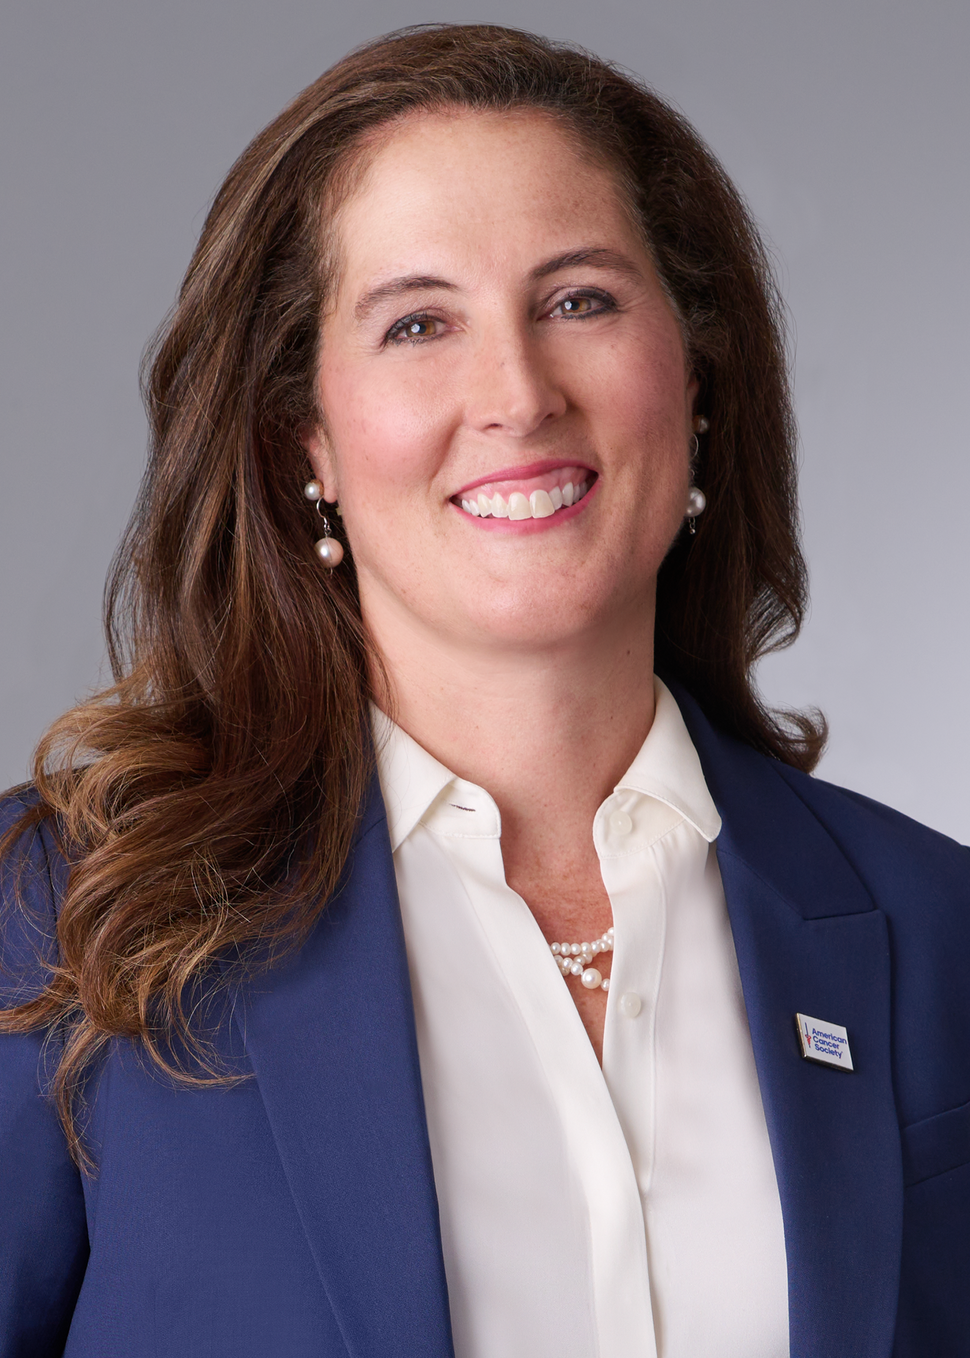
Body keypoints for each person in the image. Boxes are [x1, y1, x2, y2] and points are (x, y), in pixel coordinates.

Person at [0, 23, 967, 1358]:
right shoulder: (61, 919)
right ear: (309, 437)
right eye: (416, 323)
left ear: (692, 382)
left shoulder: (936, 929)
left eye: (579, 300)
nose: (514, 392)